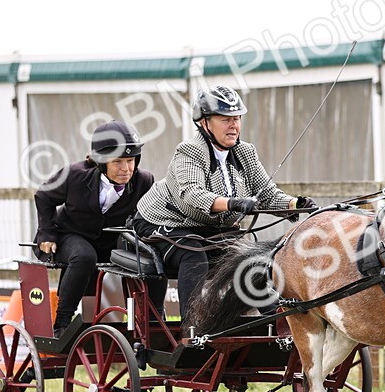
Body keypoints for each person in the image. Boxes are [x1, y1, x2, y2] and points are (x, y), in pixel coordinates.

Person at [133, 85, 317, 321]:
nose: (234, 125)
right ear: (204, 123)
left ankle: (278, 324)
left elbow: (268, 194)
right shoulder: (189, 151)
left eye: (237, 118)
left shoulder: (246, 153)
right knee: (194, 254)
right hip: (166, 221)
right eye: (225, 118)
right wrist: (233, 203)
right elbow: (192, 194)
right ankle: (192, 327)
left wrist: (296, 204)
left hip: (210, 228)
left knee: (250, 259)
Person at [34, 119, 155, 338]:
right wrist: (47, 233)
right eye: (118, 162)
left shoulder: (144, 181)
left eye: (130, 161)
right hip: (68, 235)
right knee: (83, 255)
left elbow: (148, 214)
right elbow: (43, 196)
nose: (126, 169)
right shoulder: (74, 175)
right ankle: (62, 324)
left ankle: (151, 321)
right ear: (101, 162)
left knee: (150, 258)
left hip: (109, 242)